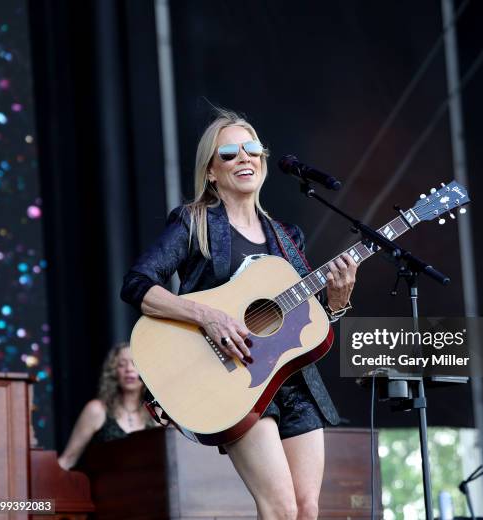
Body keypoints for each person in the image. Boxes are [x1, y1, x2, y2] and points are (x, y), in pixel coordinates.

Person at [120, 108, 357, 519]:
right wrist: (206, 315)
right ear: (211, 171)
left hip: (293, 382)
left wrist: (337, 302)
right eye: (229, 153)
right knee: (280, 508)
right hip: (235, 383)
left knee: (306, 509)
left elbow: (307, 320)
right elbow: (137, 284)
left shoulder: (286, 236)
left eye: (253, 149)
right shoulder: (195, 222)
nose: (244, 158)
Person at [57, 342, 153, 470]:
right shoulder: (97, 410)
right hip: (107, 488)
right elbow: (68, 460)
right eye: (121, 364)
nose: (129, 369)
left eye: (135, 363)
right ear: (114, 372)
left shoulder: (155, 414)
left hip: (150, 488)